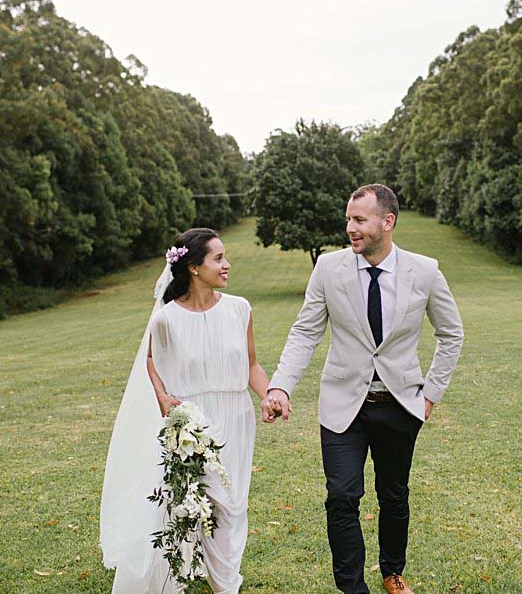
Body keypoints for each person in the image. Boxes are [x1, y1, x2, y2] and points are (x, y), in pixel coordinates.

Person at [263, 184, 463, 594]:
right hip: (342, 405)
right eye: (348, 219)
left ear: (387, 222)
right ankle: (353, 588)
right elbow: (305, 332)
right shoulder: (328, 269)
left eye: (359, 220)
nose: (350, 228)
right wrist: (281, 386)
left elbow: (451, 333)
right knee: (341, 497)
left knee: (393, 496)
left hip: (400, 405)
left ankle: (393, 573)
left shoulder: (424, 271)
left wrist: (429, 395)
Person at [100, 227, 276, 594]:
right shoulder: (167, 319)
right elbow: (150, 358)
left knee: (232, 504)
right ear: (194, 267)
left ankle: (222, 576)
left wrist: (268, 395)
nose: (227, 265)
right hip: (194, 423)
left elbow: (252, 365)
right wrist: (163, 396)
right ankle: (221, 584)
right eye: (219, 258)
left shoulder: (240, 309)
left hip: (236, 415)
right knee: (203, 502)